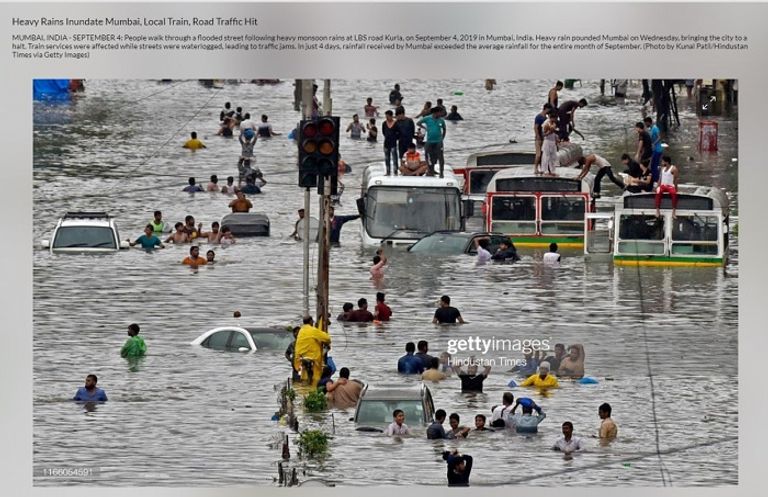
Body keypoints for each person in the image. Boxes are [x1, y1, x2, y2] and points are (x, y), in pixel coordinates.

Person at [293, 316, 332, 387]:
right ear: (310, 322)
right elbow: (327, 339)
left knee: (304, 378)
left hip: (299, 359)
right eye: (312, 322)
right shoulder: (313, 330)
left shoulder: (301, 331)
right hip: (313, 358)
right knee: (316, 377)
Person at [417, 106, 447, 177]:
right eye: (440, 112)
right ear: (436, 112)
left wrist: (442, 137)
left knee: (440, 157)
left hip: (438, 141)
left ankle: (441, 172)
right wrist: (425, 128)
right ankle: (431, 171)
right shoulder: (427, 118)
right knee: (428, 157)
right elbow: (418, 123)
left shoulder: (441, 120)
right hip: (429, 141)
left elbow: (444, 129)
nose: (441, 114)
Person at [533, 103, 553, 174]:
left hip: (544, 138)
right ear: (546, 109)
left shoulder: (546, 118)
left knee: (543, 154)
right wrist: (537, 135)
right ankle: (535, 168)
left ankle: (542, 168)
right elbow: (535, 127)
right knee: (538, 154)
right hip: (538, 138)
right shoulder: (539, 117)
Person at [645, 116, 663, 183]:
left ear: (649, 122)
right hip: (654, 150)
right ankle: (655, 179)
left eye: (646, 123)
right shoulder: (651, 129)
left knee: (654, 165)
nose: (645, 125)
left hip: (657, 149)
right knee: (653, 165)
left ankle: (656, 180)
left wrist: (654, 143)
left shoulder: (655, 128)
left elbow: (659, 137)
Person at [541, 110, 559, 176]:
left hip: (553, 141)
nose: (556, 120)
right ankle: (545, 170)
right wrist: (549, 132)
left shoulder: (554, 124)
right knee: (546, 156)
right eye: (555, 118)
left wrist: (557, 139)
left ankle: (552, 170)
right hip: (547, 141)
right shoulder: (546, 123)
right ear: (552, 118)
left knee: (553, 156)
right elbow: (543, 134)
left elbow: (555, 133)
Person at [382, 110, 400, 175]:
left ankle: (395, 171)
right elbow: (383, 132)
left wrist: (395, 138)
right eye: (386, 116)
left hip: (393, 142)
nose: (387, 118)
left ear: (391, 116)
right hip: (386, 143)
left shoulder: (396, 123)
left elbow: (398, 133)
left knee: (394, 157)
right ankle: (388, 171)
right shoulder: (384, 123)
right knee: (387, 158)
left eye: (388, 116)